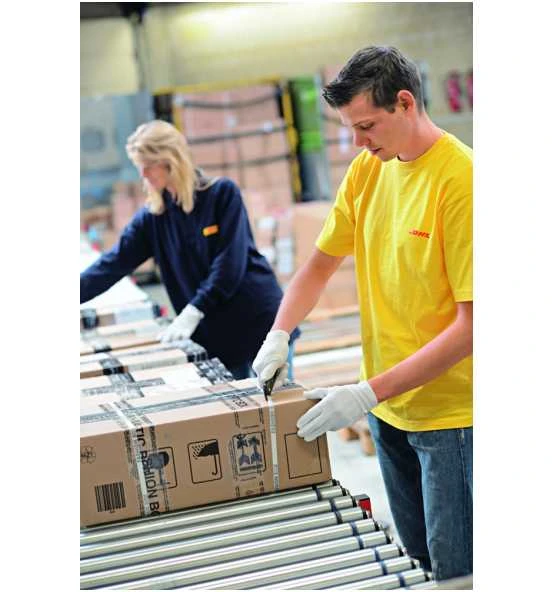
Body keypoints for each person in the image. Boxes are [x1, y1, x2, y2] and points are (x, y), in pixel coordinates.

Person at [253, 46, 472, 581]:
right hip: (386, 410)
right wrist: (279, 333)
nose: (357, 142)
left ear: (406, 103)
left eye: (367, 126)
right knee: (416, 562)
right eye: (350, 129)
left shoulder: (462, 182)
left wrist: (366, 392)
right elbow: (318, 267)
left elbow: (473, 328)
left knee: (458, 572)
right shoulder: (367, 172)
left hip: (452, 419)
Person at [81, 120, 300, 379]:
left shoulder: (221, 195)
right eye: (139, 166)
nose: (143, 174)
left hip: (257, 322)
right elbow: (111, 265)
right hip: (215, 338)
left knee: (275, 401)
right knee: (238, 404)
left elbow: (229, 265)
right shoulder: (153, 218)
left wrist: (194, 310)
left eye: (148, 165)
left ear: (171, 160)